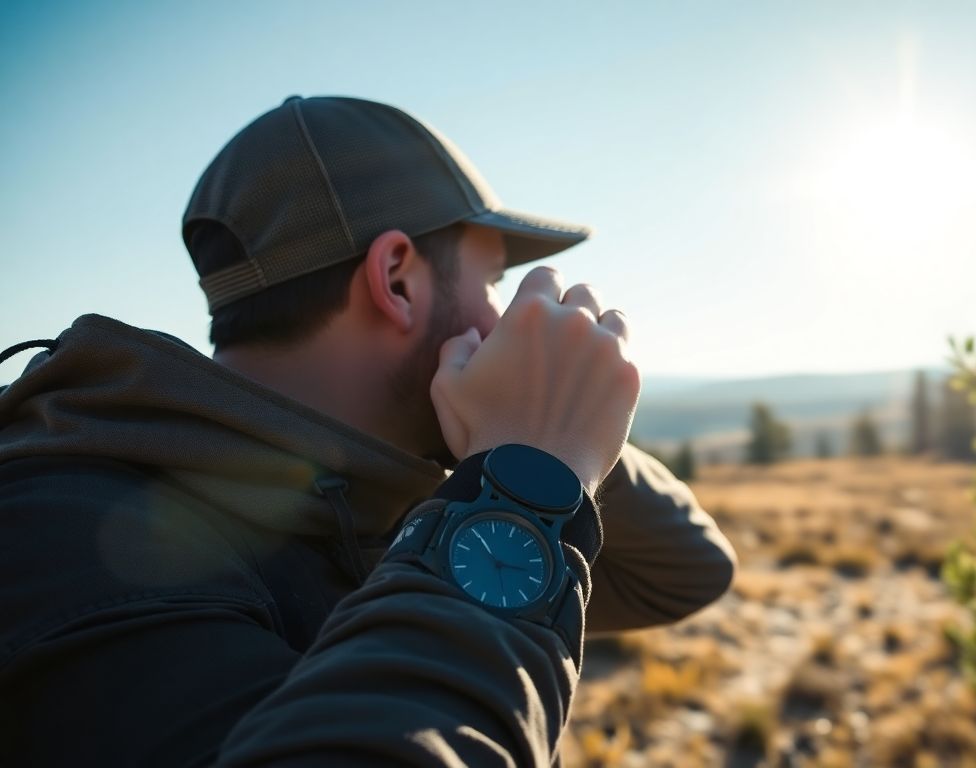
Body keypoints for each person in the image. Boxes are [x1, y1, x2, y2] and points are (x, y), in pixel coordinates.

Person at [0, 95, 736, 766]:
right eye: (493, 286)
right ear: (396, 279)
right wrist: (529, 471)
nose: (503, 322)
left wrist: (553, 430)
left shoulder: (368, 502)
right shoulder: (63, 542)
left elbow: (684, 571)